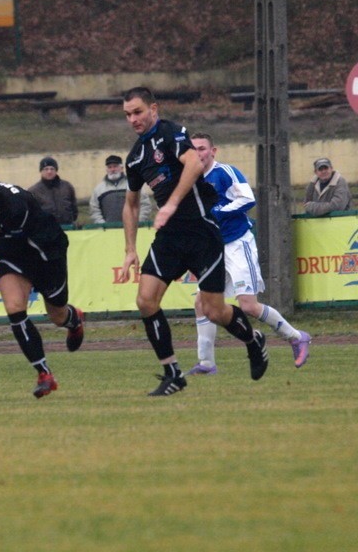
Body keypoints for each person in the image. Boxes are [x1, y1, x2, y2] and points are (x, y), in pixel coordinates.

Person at [118, 86, 268, 396]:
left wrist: (171, 204)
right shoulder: (135, 157)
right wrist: (130, 248)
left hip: (202, 232)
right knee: (145, 301)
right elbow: (131, 204)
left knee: (214, 311)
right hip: (170, 237)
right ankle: (173, 373)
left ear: (153, 109)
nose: (133, 119)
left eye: (138, 112)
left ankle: (254, 342)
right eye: (128, 114)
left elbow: (194, 164)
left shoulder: (172, 133)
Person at [186, 133, 311, 375]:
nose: (198, 153)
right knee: (202, 303)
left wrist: (218, 212)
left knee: (249, 306)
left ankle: (296, 337)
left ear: (213, 151)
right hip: (212, 249)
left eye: (202, 148)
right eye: (193, 149)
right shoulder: (190, 179)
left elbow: (247, 199)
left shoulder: (225, 173)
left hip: (237, 244)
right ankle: (207, 363)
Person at [0, 164, 85, 399]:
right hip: (16, 256)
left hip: (46, 254)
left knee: (57, 315)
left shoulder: (15, 205)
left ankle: (73, 319)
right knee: (14, 308)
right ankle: (44, 374)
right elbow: (8, 246)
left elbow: (16, 244)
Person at [89, 154, 153, 224]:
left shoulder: (133, 185)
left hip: (132, 229)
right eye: (110, 167)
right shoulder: (99, 189)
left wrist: (138, 222)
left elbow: (145, 204)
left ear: (122, 168)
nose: (112, 169)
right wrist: (103, 225)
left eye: (115, 166)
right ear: (106, 170)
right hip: (107, 231)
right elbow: (94, 209)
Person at [27, 156, 78, 226]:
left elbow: (74, 207)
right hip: (46, 229)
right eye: (46, 169)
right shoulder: (33, 191)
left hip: (68, 226)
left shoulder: (67, 186)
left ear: (56, 170)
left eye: (52, 169)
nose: (49, 171)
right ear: (41, 171)